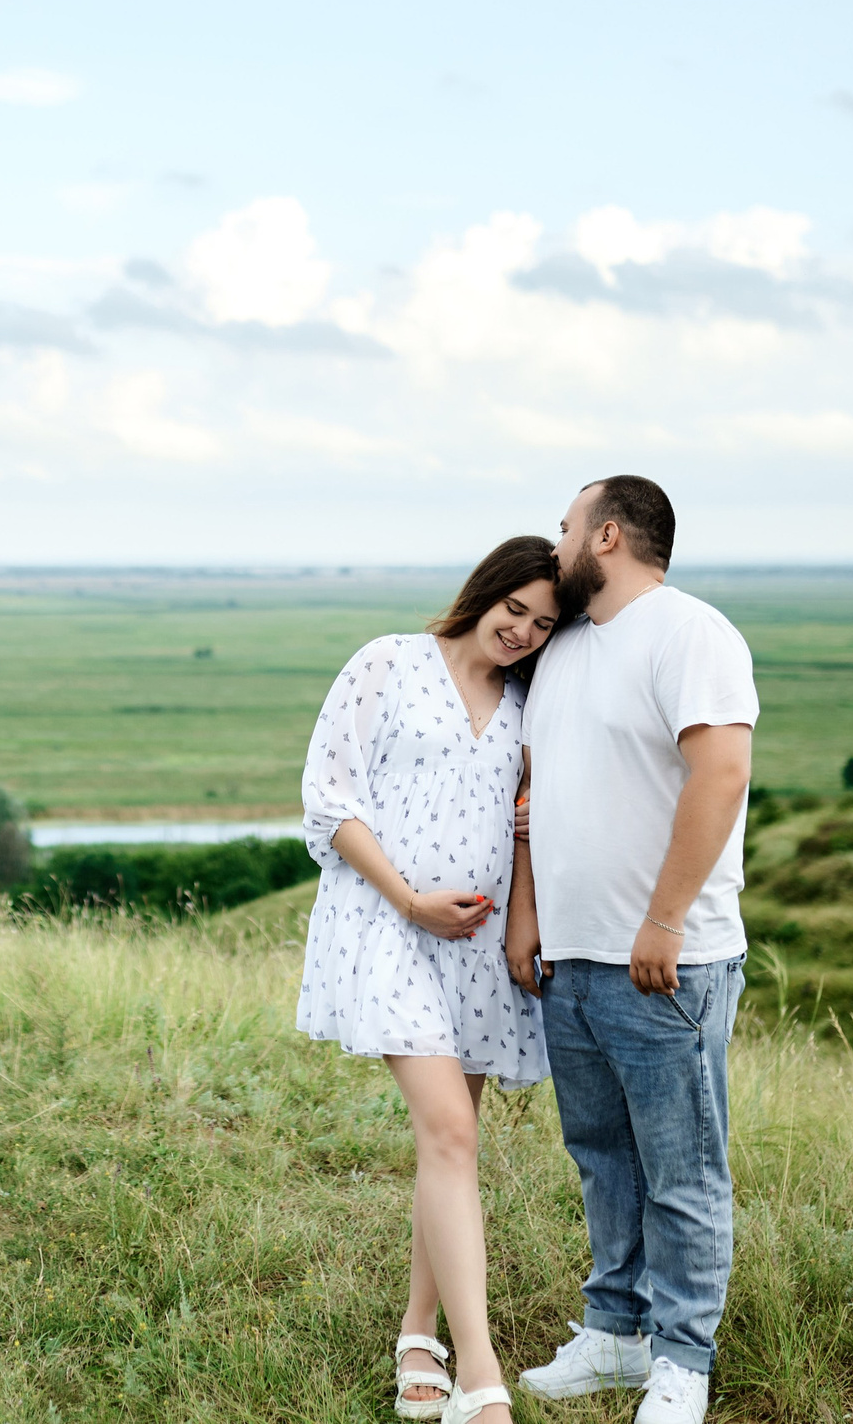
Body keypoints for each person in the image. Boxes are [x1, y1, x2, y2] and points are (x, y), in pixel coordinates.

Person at [505, 477, 756, 1424]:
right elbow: (540, 790)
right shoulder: (564, 646)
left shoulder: (692, 633)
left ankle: (683, 1361)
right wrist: (529, 916)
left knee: (682, 1168)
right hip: (572, 959)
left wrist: (665, 921)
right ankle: (615, 1332)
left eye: (568, 525)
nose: (556, 538)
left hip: (668, 962)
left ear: (606, 535)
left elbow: (721, 771)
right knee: (604, 1156)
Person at [298, 536, 564, 1424]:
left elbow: (527, 826)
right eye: (514, 609)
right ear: (483, 591)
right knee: (450, 1129)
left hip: (479, 950)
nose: (522, 631)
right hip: (387, 925)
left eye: (543, 623)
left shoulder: (530, 703)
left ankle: (420, 1332)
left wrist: (520, 923)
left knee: (447, 1146)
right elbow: (331, 798)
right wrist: (410, 899)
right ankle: (481, 1383)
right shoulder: (387, 662)